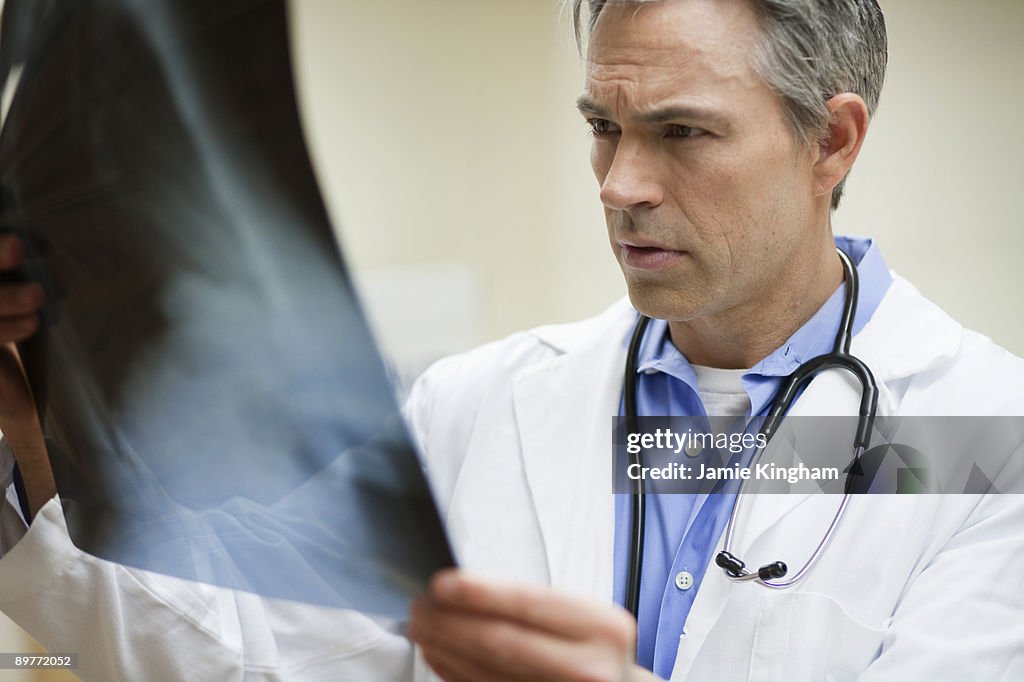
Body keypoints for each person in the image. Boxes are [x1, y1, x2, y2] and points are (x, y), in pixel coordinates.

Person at [0, 0, 1022, 680]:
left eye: (681, 132)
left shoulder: (986, 435)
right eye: (601, 127)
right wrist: (31, 435)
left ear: (831, 140)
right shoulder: (483, 404)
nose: (620, 184)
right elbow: (253, 655)